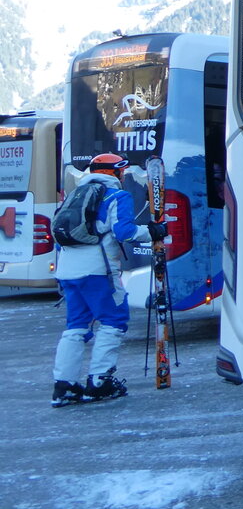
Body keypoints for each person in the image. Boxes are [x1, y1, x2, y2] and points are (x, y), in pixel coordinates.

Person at [51, 153, 167, 406]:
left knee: (76, 327)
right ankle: (100, 381)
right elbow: (123, 232)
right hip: (98, 271)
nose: (124, 176)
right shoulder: (117, 196)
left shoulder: (74, 194)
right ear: (113, 173)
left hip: (68, 272)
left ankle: (64, 386)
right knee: (113, 321)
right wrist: (153, 231)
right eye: (121, 172)